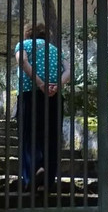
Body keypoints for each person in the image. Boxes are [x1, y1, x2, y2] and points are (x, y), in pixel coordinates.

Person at [14, 22, 70, 191]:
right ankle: (47, 181)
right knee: (51, 137)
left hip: (29, 94)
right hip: (53, 96)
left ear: (27, 33)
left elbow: (22, 61)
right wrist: (56, 86)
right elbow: (69, 70)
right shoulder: (55, 50)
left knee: (29, 134)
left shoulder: (23, 45)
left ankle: (34, 172)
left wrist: (40, 83)